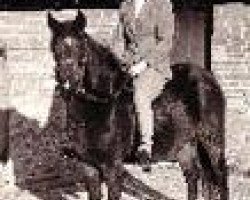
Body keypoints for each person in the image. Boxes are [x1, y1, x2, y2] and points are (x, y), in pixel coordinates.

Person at [119, 0, 175, 171]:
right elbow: (120, 39)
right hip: (130, 65)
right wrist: (118, 60)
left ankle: (145, 146)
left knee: (140, 94)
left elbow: (166, 42)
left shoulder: (162, 4)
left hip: (154, 66)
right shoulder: (125, 6)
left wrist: (144, 64)